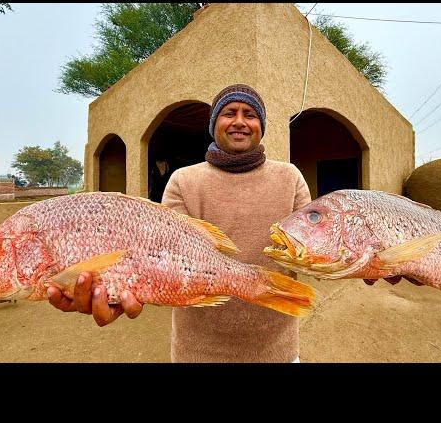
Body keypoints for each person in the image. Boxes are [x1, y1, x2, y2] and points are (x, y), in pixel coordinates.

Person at [46, 83, 418, 362]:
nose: (240, 121)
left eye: (250, 114)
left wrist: (367, 261)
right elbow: (166, 263)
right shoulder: (183, 181)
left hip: (278, 350)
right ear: (214, 124)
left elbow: (317, 251)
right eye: (229, 113)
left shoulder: (289, 177)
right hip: (198, 353)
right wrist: (117, 287)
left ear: (261, 126)